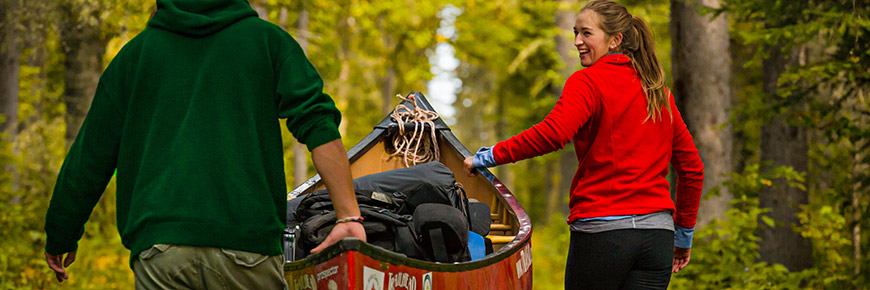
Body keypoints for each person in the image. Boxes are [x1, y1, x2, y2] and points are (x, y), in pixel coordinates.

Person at [42, 0, 366, 288]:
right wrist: (348, 216)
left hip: (162, 251)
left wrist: (61, 233)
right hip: (246, 250)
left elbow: (90, 156)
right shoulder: (268, 42)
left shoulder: (136, 56)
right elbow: (318, 125)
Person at [464, 1, 703, 289]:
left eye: (587, 33)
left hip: (603, 233)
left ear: (615, 40)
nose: (577, 41)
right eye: (576, 32)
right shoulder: (657, 91)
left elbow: (552, 134)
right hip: (657, 238)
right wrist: (683, 236)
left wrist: (486, 157)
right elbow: (692, 168)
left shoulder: (588, 82)